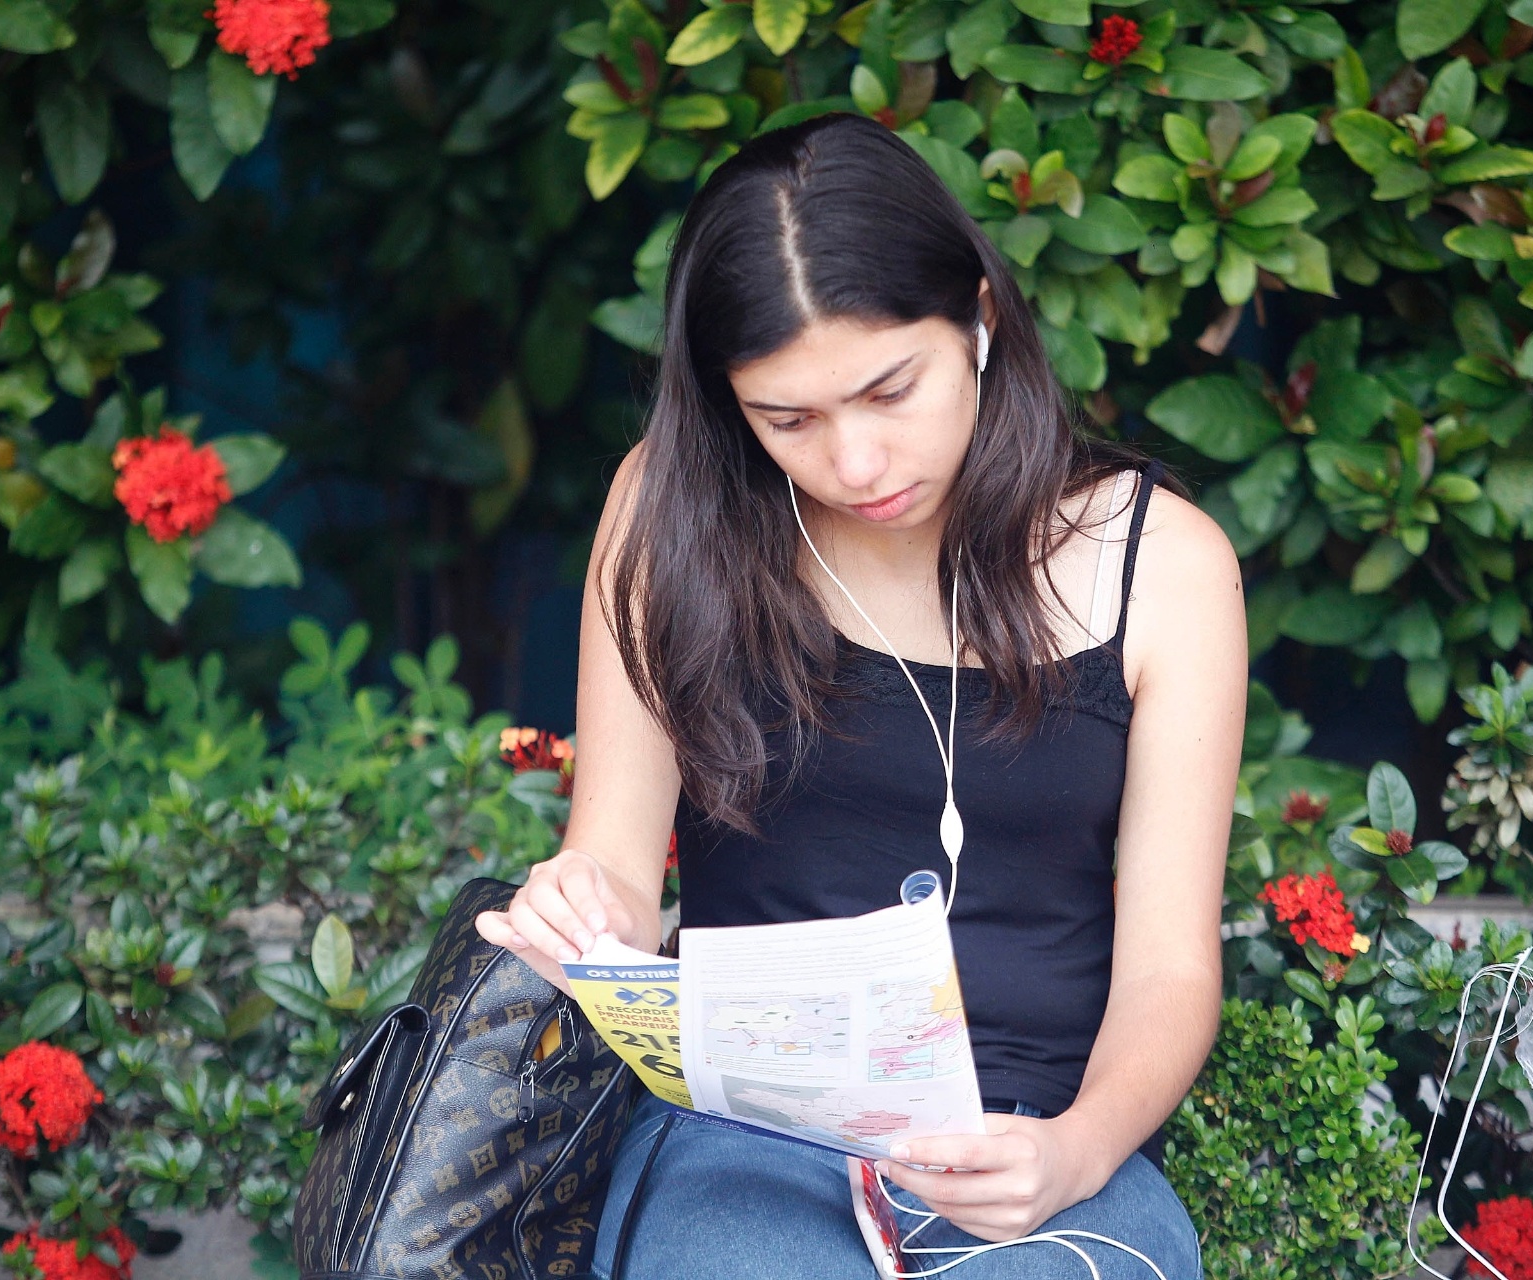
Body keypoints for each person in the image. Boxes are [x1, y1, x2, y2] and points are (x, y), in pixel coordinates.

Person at [474, 112, 1245, 1278]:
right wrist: (584, 920)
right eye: (788, 419)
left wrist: (1077, 1149)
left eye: (892, 391)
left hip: (1027, 1138)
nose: (856, 464)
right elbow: (618, 869)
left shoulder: (1163, 566)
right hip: (746, 1132)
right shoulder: (670, 513)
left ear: (979, 317)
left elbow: (1171, 968)